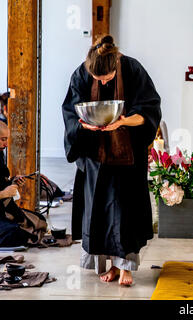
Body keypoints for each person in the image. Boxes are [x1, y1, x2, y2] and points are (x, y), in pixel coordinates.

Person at [62, 35, 161, 286]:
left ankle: (125, 267)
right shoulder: (82, 74)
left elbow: (150, 111)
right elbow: (71, 112)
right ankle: (109, 266)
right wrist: (84, 126)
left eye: (106, 78)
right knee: (99, 211)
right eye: (98, 79)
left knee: (125, 211)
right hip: (95, 152)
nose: (103, 82)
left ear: (115, 64)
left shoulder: (132, 69)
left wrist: (123, 121)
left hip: (127, 151)